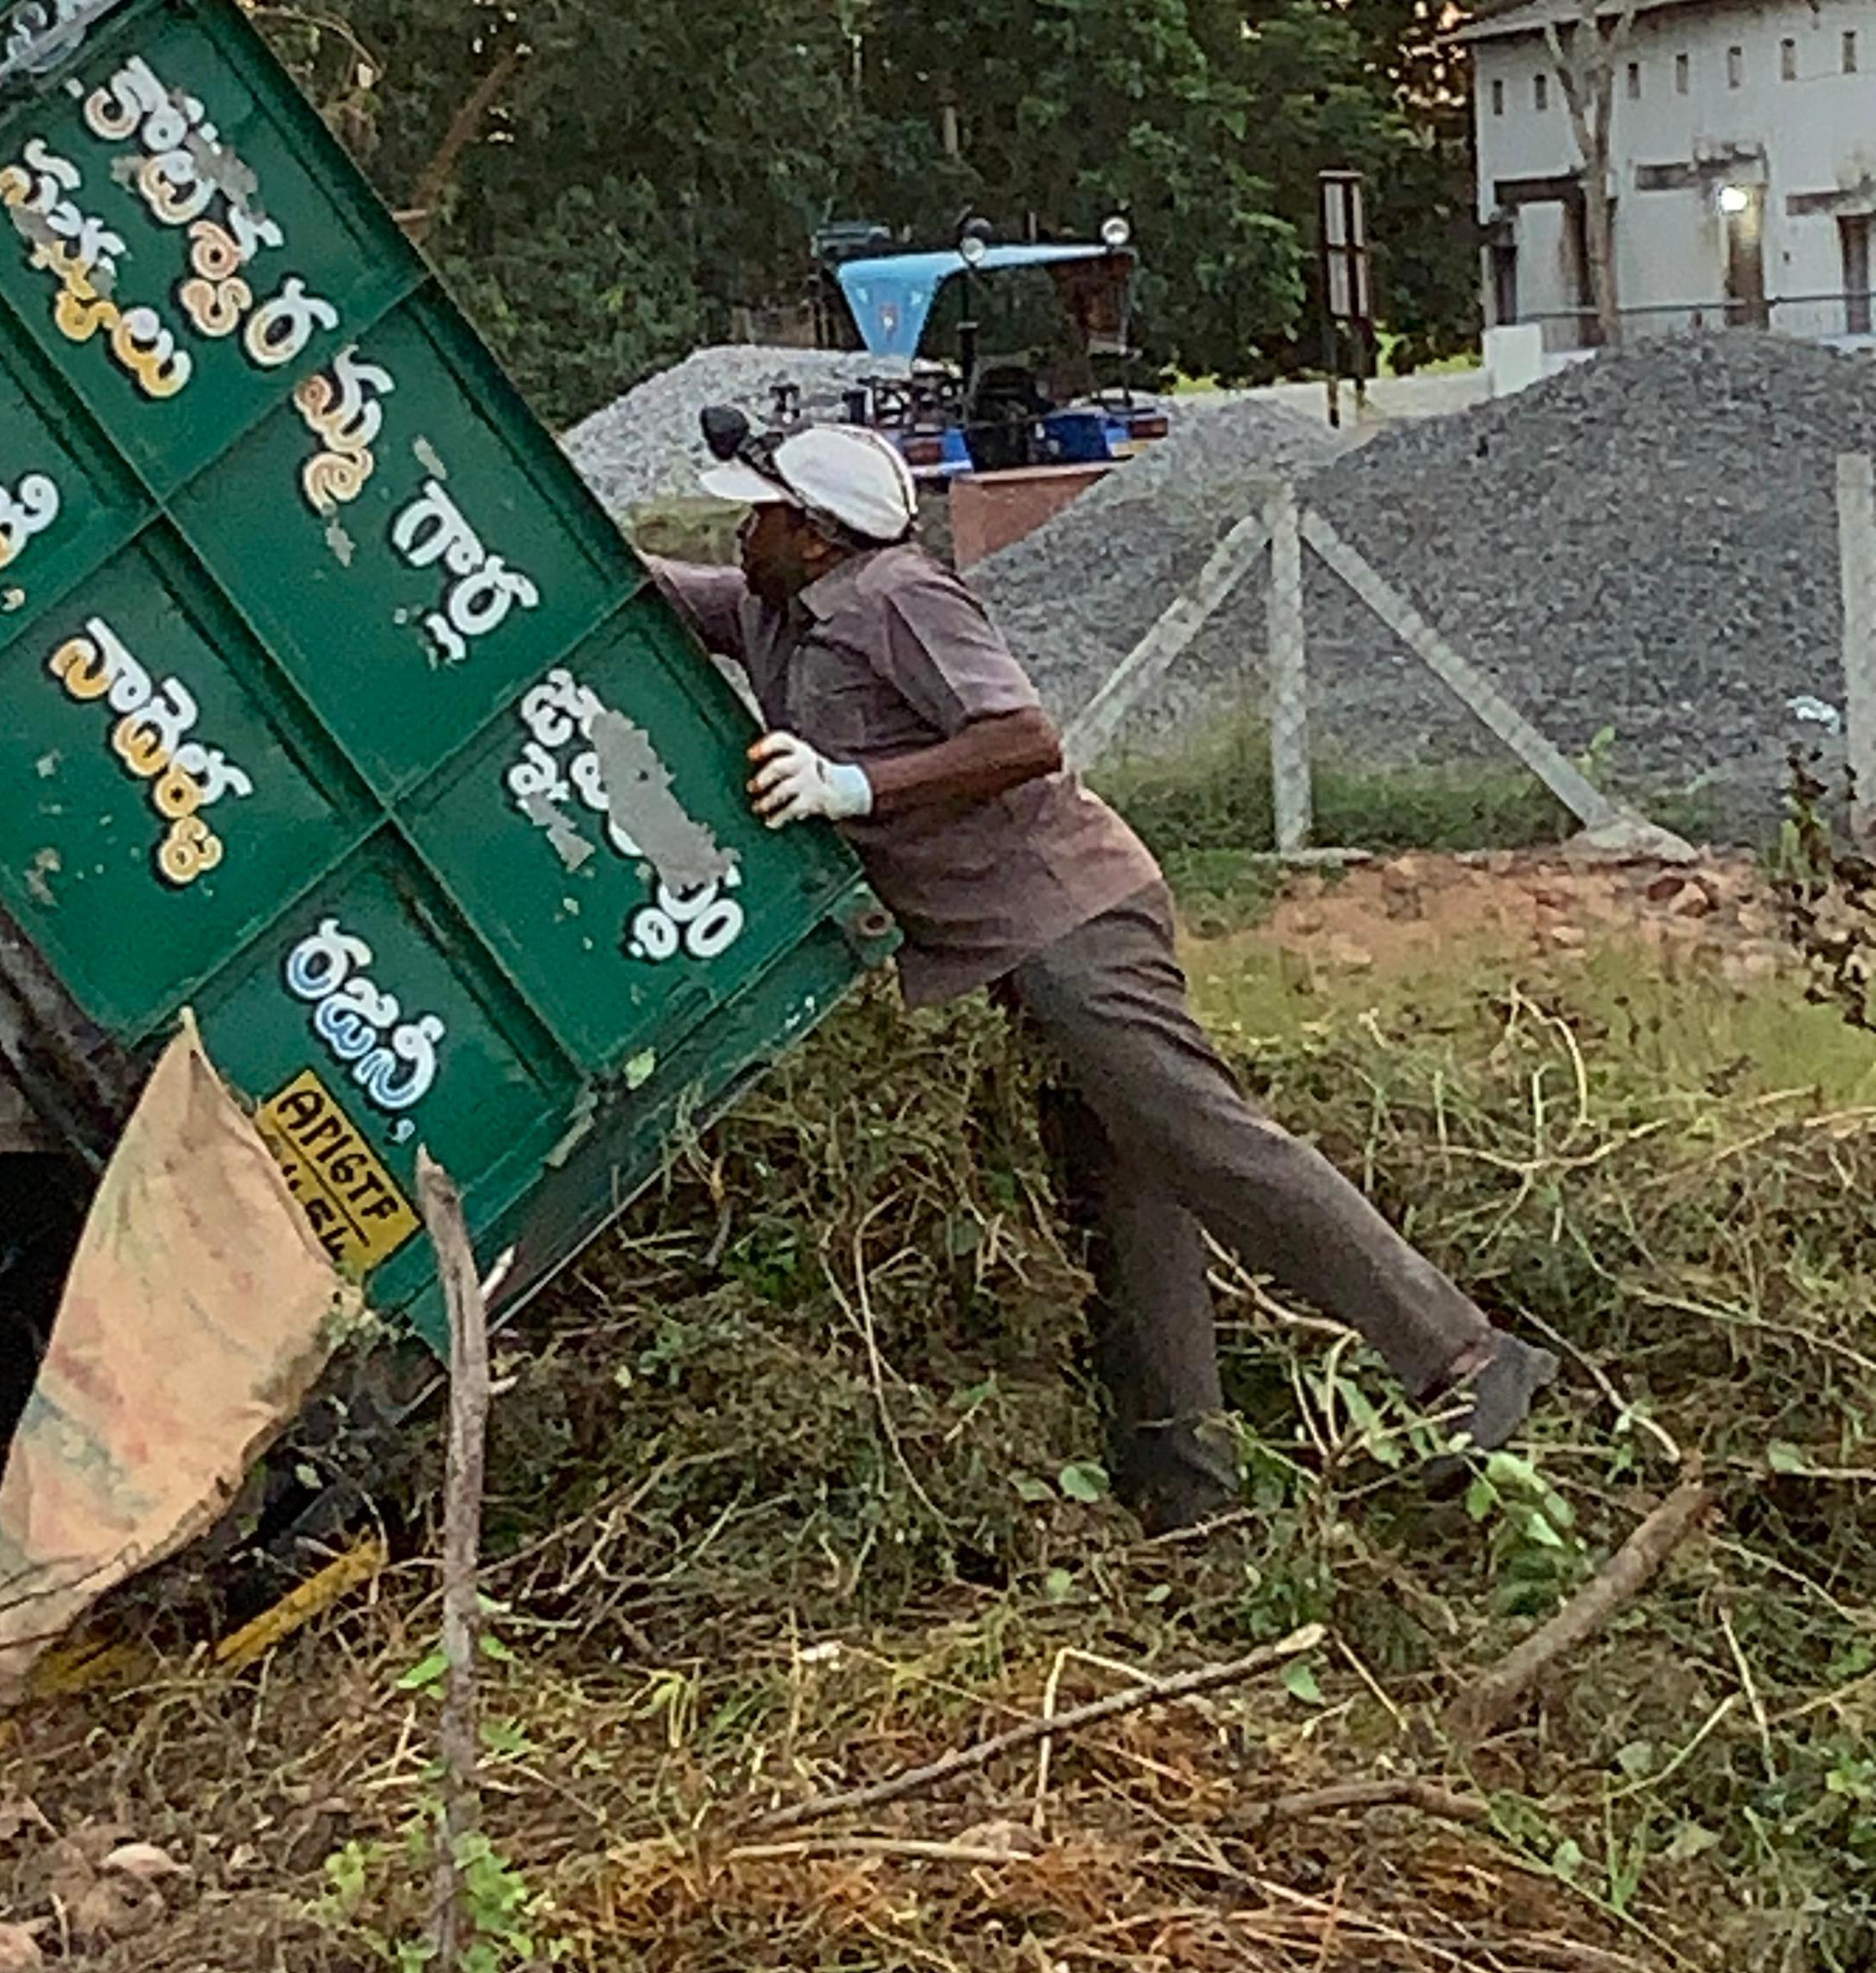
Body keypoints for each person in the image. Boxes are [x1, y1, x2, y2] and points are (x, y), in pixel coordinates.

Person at [644, 412, 1554, 1531]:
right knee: (1131, 1210)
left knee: (1204, 1140)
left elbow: (1023, 737)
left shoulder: (900, 599)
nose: (737, 534)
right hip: (1007, 951)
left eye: (758, 517)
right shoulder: (775, 608)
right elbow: (652, 589)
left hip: (1071, 924)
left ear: (817, 532)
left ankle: (1465, 1356)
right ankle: (1188, 1502)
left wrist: (856, 787)